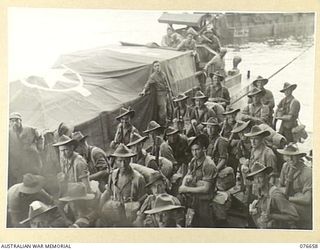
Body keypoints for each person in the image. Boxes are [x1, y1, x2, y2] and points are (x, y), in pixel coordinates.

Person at [99, 144, 146, 226]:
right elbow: (108, 193)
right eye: (120, 161)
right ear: (115, 161)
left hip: (130, 217)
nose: (123, 164)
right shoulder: (113, 175)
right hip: (115, 215)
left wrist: (139, 218)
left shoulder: (138, 179)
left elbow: (144, 202)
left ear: (130, 160)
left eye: (126, 160)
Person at [178, 134, 217, 227]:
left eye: (197, 150)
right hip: (194, 198)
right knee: (191, 222)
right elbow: (188, 175)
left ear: (203, 149)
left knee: (205, 225)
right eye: (192, 150)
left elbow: (206, 189)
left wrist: (186, 189)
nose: (195, 153)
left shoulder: (208, 164)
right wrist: (184, 184)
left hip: (205, 201)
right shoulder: (193, 161)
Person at [247, 162, 299, 229]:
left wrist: (272, 216)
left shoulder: (276, 195)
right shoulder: (262, 191)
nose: (257, 181)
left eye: (260, 177)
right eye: (255, 178)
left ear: (266, 177)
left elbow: (295, 216)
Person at [277, 144, 312, 229]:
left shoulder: (307, 172)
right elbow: (279, 187)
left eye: (294, 156)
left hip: (304, 209)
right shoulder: (285, 167)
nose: (291, 159)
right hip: (289, 203)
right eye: (288, 156)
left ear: (299, 156)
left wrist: (287, 198)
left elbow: (307, 199)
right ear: (284, 157)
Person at [8, 112, 44, 187]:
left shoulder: (30, 129)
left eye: (17, 120)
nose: (15, 123)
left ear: (20, 121)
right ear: (10, 122)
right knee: (19, 182)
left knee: (34, 180)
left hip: (32, 161)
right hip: (16, 163)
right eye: (12, 121)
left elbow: (40, 137)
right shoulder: (8, 133)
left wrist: (39, 148)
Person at [244, 125, 278, 202]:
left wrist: (267, 195)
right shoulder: (253, 150)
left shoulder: (269, 154)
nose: (253, 142)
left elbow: (272, 176)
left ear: (262, 139)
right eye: (251, 139)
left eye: (256, 139)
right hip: (254, 186)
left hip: (264, 188)